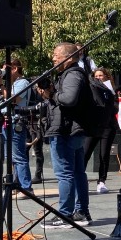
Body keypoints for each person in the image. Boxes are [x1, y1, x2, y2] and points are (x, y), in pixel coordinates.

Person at [40, 43, 96, 228]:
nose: (53, 58)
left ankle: (65, 215)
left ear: (70, 57)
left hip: (66, 131)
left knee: (65, 173)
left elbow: (69, 99)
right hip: (71, 129)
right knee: (78, 172)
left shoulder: (72, 74)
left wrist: (53, 95)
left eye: (57, 55)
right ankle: (81, 212)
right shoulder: (72, 74)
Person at [0, 58, 33, 198]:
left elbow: (13, 100)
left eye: (5, 69)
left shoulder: (23, 82)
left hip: (16, 122)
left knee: (19, 156)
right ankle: (17, 185)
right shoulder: (10, 84)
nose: (3, 72)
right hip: (6, 122)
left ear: (15, 68)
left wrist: (3, 86)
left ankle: (26, 188)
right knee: (10, 157)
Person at [84, 67, 119, 194]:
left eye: (101, 76)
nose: (98, 78)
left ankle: (102, 181)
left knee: (104, 155)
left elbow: (115, 109)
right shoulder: (90, 90)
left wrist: (107, 97)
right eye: (96, 76)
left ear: (106, 77)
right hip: (93, 126)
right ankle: (80, 178)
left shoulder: (111, 91)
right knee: (85, 152)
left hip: (108, 126)